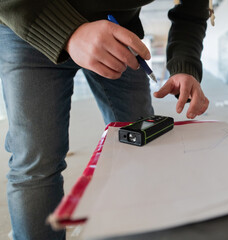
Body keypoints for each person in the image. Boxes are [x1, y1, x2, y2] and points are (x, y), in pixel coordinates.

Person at [0, 0, 209, 239]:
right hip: (32, 25)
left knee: (142, 146)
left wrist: (184, 65)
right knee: (36, 160)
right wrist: (69, 32)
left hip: (119, 33)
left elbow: (193, 9)